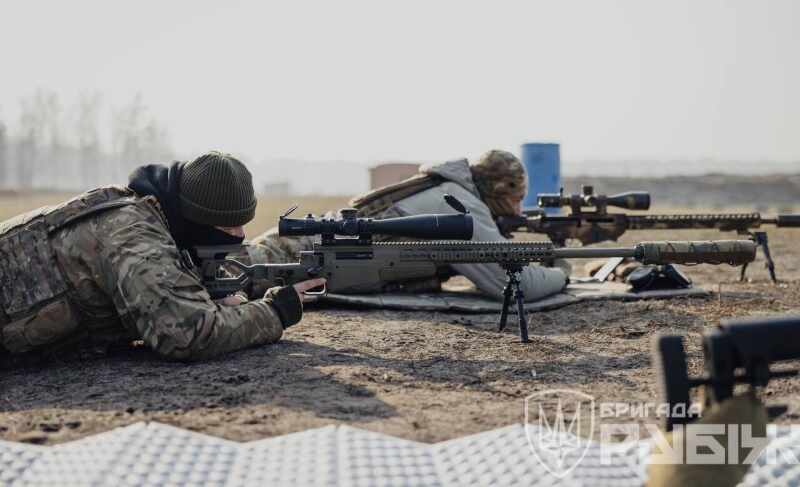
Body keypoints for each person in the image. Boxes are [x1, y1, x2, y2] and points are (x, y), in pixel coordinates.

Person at [0, 151, 324, 362]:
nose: (238, 235)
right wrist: (274, 311)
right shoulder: (133, 234)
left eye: (242, 223)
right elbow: (189, 336)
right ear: (196, 219)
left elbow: (215, 272)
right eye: (228, 226)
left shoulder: (156, 218)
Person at [248, 150, 568, 301]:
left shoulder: (447, 189)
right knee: (225, 284)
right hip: (289, 256)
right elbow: (517, 285)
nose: (519, 209)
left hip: (300, 251)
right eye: (516, 199)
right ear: (496, 191)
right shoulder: (458, 203)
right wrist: (562, 271)